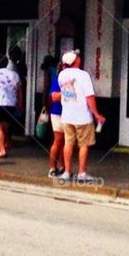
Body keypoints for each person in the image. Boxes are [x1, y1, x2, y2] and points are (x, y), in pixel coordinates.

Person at [56, 50, 105, 184]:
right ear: (75, 61)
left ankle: (66, 172)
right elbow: (89, 97)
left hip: (66, 115)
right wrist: (96, 114)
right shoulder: (83, 75)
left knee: (68, 143)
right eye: (77, 56)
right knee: (83, 145)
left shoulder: (61, 75)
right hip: (82, 116)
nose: (79, 58)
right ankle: (82, 173)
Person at [41, 55, 65, 178]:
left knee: (65, 142)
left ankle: (63, 167)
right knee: (59, 140)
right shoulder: (58, 78)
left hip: (65, 112)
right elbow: (53, 96)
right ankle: (52, 168)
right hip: (58, 111)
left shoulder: (57, 76)